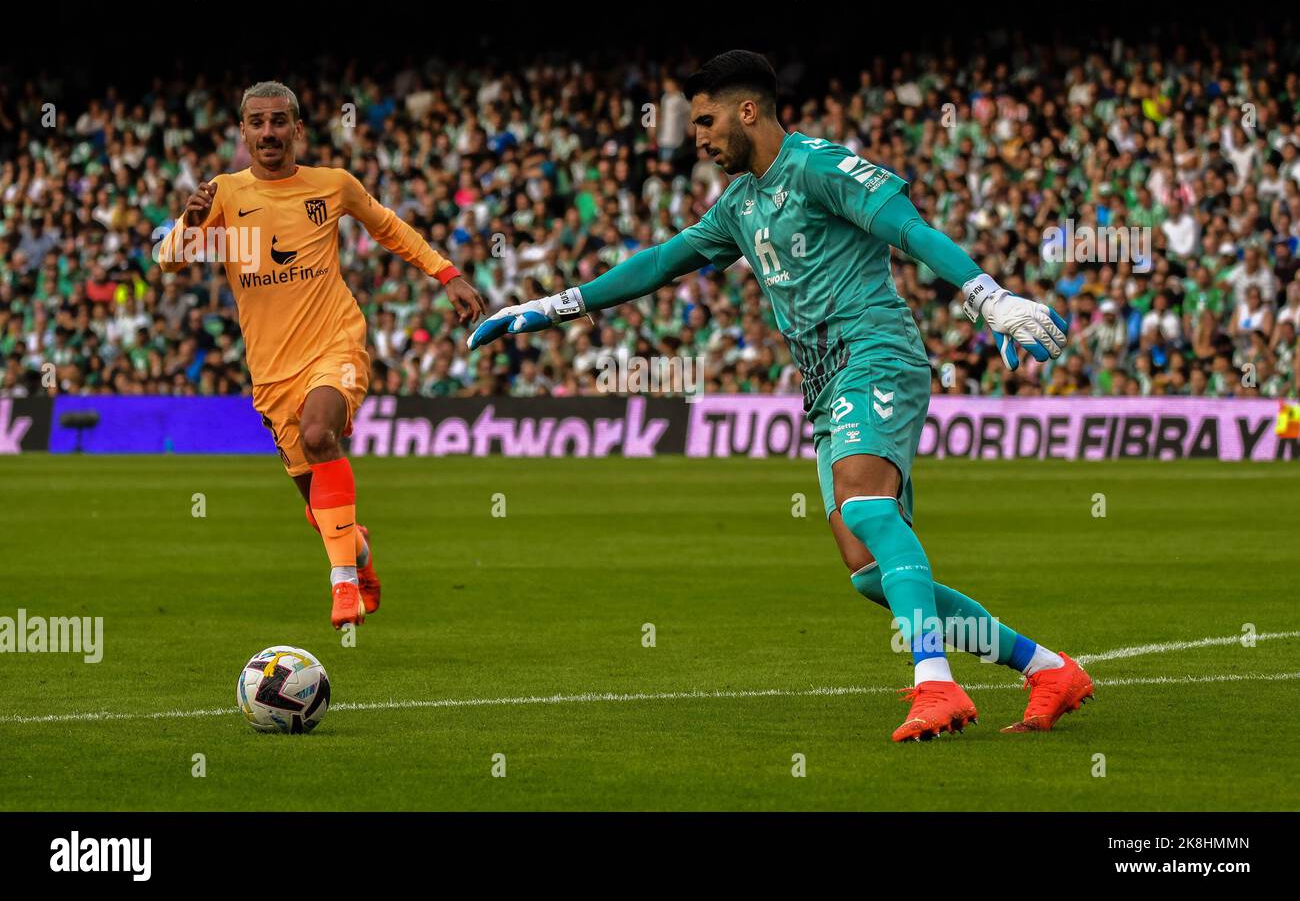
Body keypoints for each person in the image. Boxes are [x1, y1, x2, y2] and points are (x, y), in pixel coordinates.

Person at [469, 51, 1094, 741]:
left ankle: (936, 682)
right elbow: (658, 263)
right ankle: (1048, 668)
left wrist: (987, 296)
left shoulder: (820, 166)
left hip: (875, 353)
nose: (695, 137)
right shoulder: (739, 205)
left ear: (748, 110)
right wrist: (551, 306)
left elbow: (908, 229)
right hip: (825, 386)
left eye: (704, 121)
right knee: (867, 571)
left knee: (868, 508)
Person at [157, 81, 487, 628]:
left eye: (279, 121)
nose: (269, 131)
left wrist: (445, 273)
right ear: (242, 131)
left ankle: (343, 584)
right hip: (271, 371)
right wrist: (190, 224)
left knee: (319, 434)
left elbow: (389, 227)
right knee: (318, 508)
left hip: (336, 342)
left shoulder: (332, 186)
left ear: (298, 129)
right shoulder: (224, 194)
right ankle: (357, 551)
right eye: (257, 122)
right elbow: (169, 261)